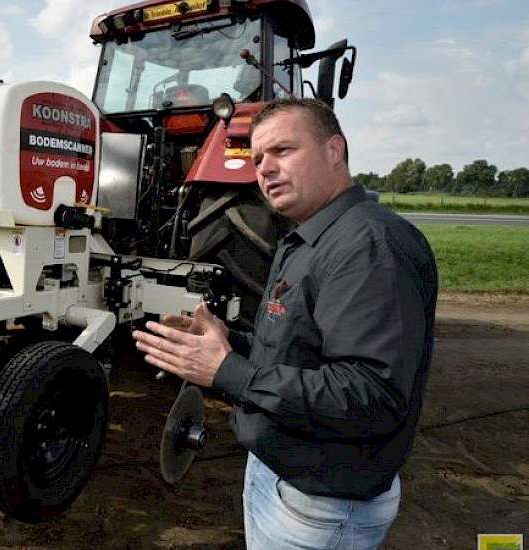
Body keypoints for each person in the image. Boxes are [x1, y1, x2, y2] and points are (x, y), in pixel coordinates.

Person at [133, 98, 437, 549]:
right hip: (279, 476)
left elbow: (371, 396)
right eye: (257, 159)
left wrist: (225, 371)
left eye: (282, 151)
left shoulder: (370, 247)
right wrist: (225, 344)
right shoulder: (307, 238)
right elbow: (291, 349)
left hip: (321, 505)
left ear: (335, 150)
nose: (265, 169)